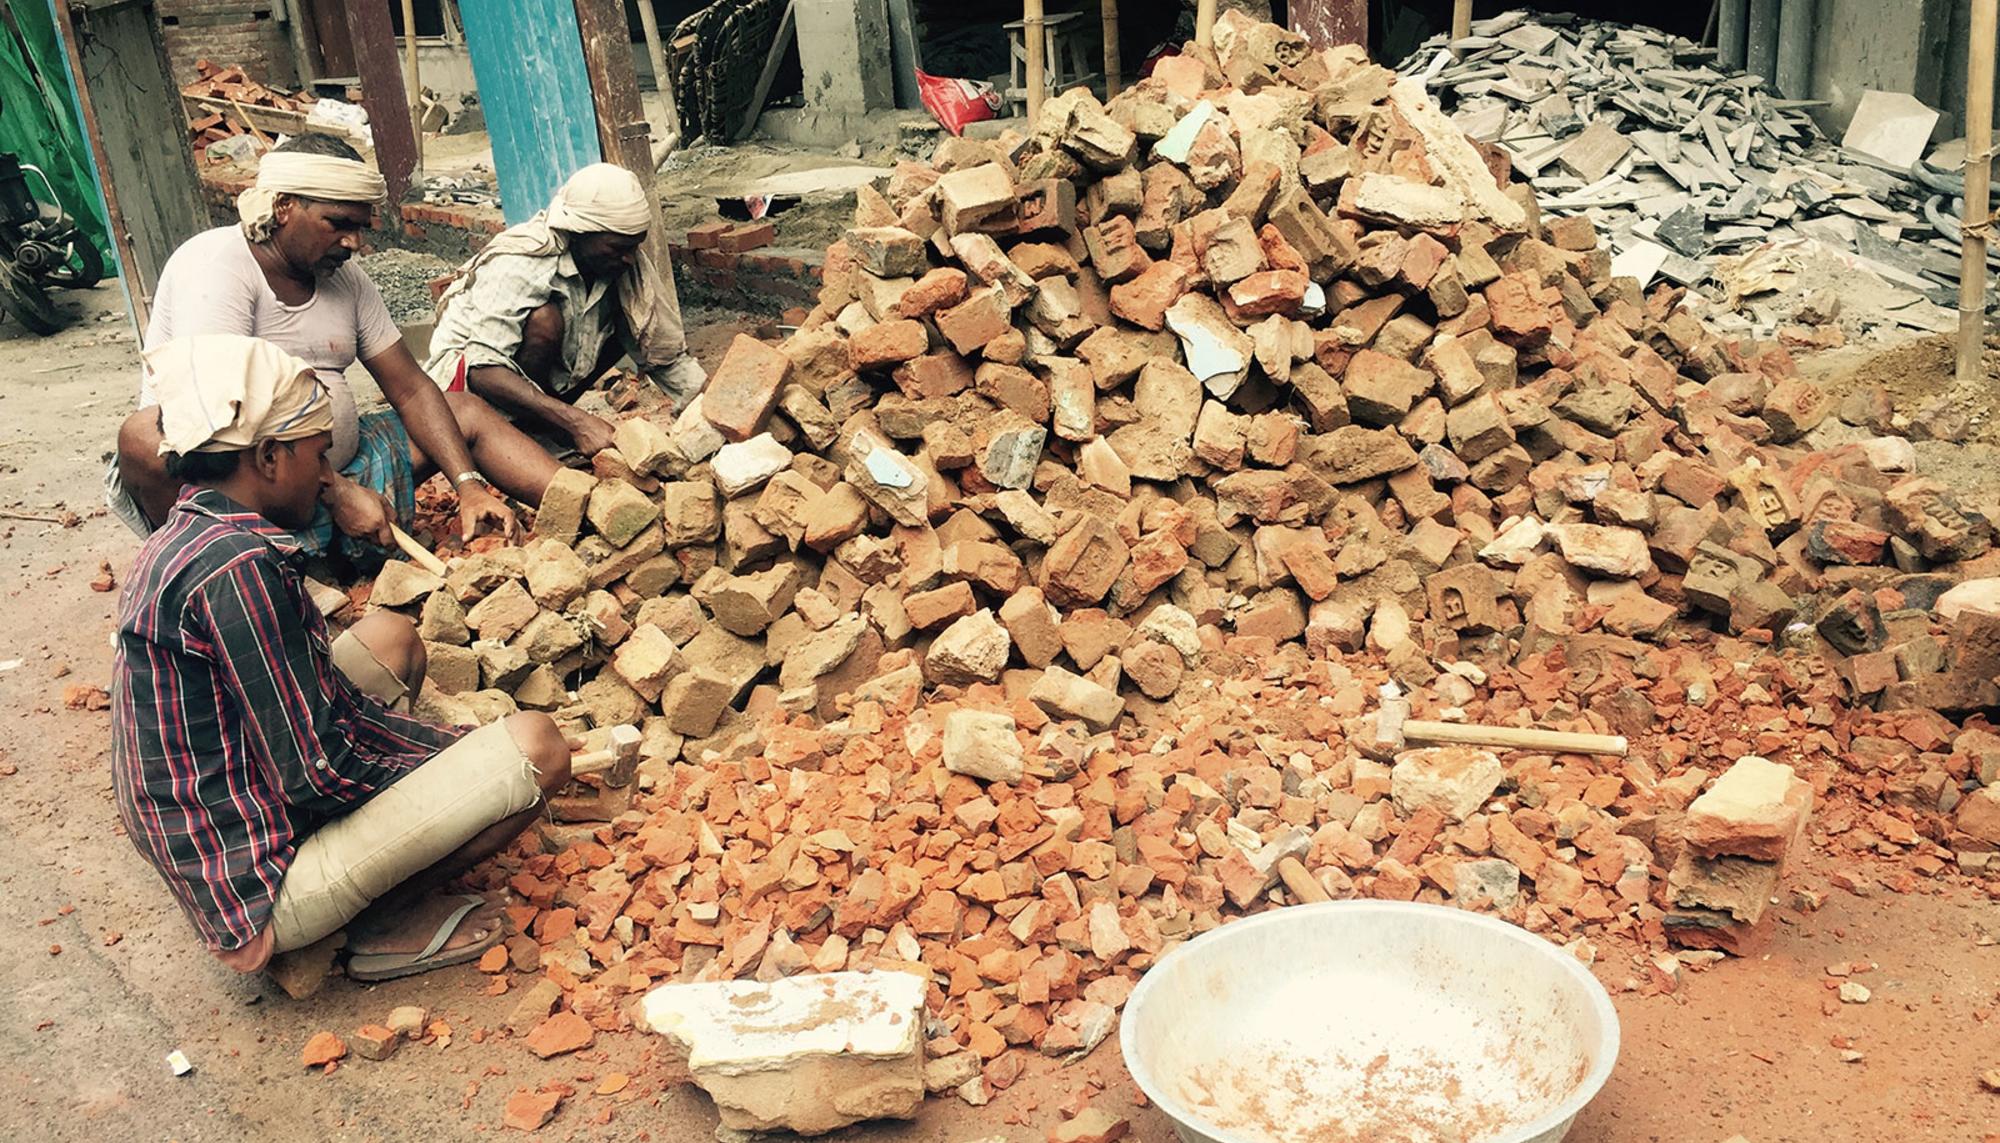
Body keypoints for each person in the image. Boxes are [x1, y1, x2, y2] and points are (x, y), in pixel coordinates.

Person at [112, 334, 574, 981]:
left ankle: (358, 884)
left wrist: (444, 749)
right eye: (319, 454)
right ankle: (370, 925)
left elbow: (318, 706)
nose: (328, 474)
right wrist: (460, 751)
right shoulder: (237, 568)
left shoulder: (194, 529)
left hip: (228, 815)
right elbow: (319, 770)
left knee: (392, 636)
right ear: (270, 457)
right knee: (537, 747)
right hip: (258, 881)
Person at [110, 133, 562, 555]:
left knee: (461, 408)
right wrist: (337, 490)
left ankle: (594, 503)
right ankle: (240, 561)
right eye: (338, 224)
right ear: (283, 206)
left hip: (337, 467)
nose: (354, 243)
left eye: (360, 227)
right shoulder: (216, 266)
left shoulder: (347, 279)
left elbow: (409, 389)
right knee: (141, 437)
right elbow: (217, 421)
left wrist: (467, 484)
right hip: (253, 485)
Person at [424, 162, 706, 455]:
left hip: (529, 384)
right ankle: (525, 436)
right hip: (463, 395)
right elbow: (483, 371)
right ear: (580, 233)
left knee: (634, 318)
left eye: (634, 247)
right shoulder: (523, 260)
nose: (630, 259)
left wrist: (709, 405)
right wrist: (577, 423)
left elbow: (663, 351)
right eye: (618, 249)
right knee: (545, 320)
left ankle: (543, 429)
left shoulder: (622, 265)